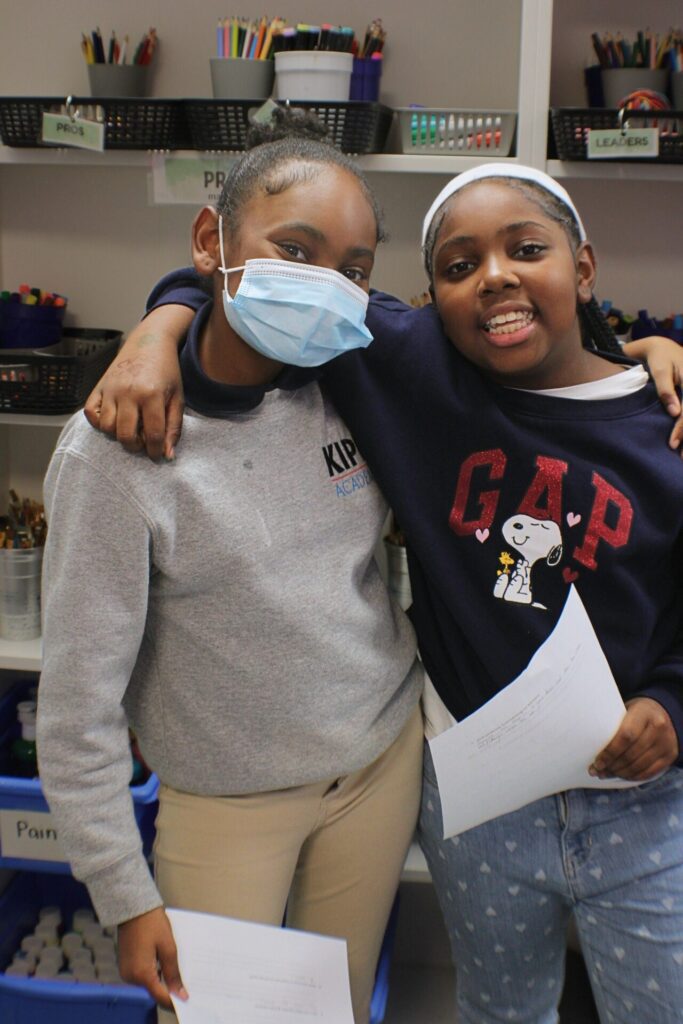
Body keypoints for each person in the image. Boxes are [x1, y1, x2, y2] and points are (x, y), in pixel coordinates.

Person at [89, 161, 683, 1023]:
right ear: (429, 301)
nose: (495, 278)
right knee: (498, 1008)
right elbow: (245, 275)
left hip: (645, 806)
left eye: (526, 250)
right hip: (482, 797)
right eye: (458, 266)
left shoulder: (663, 424)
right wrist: (155, 330)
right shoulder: (408, 363)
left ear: (583, 267)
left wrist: (670, 702)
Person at [36, 111, 425, 1024]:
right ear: (211, 240)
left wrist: (644, 349)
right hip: (226, 804)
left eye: (354, 268)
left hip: (376, 767)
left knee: (332, 1009)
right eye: (294, 249)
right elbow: (78, 706)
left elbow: (505, 336)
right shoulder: (117, 450)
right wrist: (122, 893)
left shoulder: (355, 373)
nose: (325, 287)